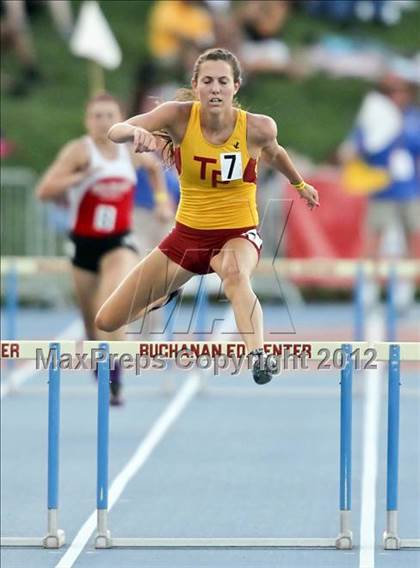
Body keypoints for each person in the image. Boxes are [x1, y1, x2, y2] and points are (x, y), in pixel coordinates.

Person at [95, 48, 319, 385]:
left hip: (237, 233)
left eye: (223, 82)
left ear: (236, 87)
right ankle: (161, 298)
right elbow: (116, 131)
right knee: (108, 320)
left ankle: (259, 354)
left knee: (233, 273)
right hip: (187, 237)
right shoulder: (178, 116)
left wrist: (300, 184)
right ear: (196, 86)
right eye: (208, 81)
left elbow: (276, 153)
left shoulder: (257, 127)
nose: (215, 89)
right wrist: (134, 133)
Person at [36, 92, 171, 404]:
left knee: (108, 306)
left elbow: (153, 170)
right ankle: (103, 366)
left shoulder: (129, 150)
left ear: (119, 119)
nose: (104, 122)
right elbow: (45, 190)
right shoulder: (79, 152)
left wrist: (163, 203)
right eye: (97, 116)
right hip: (83, 247)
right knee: (90, 321)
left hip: (119, 242)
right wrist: (80, 176)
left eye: (110, 116)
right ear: (88, 121)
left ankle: (115, 375)